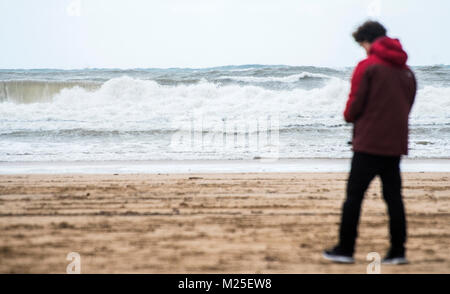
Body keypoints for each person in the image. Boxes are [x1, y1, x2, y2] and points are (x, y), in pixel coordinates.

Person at [323, 21, 417, 264]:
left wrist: (349, 116)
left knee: (354, 197)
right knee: (394, 198)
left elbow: (353, 106)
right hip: (394, 144)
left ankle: (345, 249)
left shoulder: (367, 66)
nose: (363, 49)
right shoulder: (406, 71)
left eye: (363, 44)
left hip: (368, 144)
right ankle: (398, 252)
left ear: (368, 41)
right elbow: (407, 104)